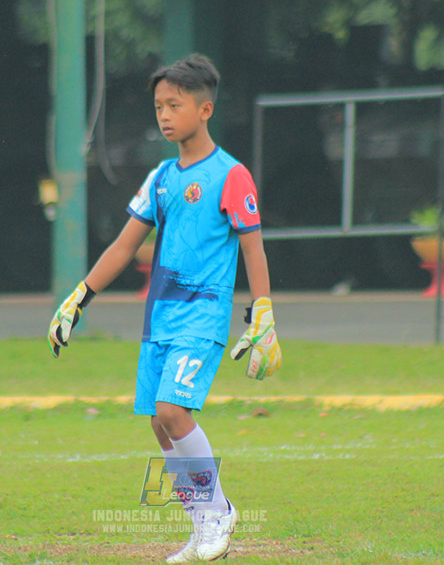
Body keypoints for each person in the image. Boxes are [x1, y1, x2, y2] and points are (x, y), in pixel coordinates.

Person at [48, 54, 282, 562]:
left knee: (173, 410)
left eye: (174, 105)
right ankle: (202, 525)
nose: (164, 115)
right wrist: (78, 298)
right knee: (159, 421)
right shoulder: (160, 178)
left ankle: (219, 511)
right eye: (159, 106)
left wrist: (262, 313)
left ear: (205, 110)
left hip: (203, 316)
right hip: (160, 319)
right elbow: (123, 246)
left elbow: (253, 247)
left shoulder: (231, 175)